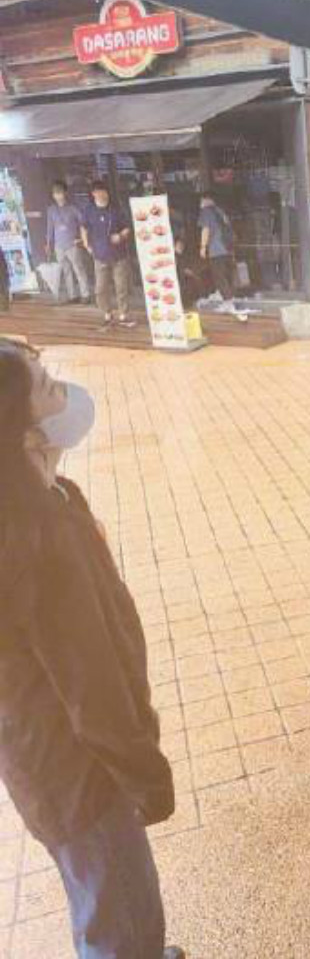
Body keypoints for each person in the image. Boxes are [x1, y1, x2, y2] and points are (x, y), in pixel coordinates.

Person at [0, 338, 184, 959]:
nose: (64, 391)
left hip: (51, 768)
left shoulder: (47, 498)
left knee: (102, 896)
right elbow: (92, 689)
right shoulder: (36, 539)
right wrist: (146, 774)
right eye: (47, 388)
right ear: (24, 433)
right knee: (120, 915)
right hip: (85, 777)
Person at [81, 181, 136, 330]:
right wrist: (86, 245)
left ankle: (124, 315)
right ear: (93, 194)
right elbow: (84, 228)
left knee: (121, 287)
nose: (101, 194)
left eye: (104, 191)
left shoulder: (115, 209)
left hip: (119, 255)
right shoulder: (89, 210)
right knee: (100, 289)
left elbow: (127, 228)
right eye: (98, 191)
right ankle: (107, 314)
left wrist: (120, 236)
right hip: (99, 256)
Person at [46, 180, 92, 305]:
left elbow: (83, 223)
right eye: (55, 193)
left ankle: (86, 294)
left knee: (79, 269)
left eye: (60, 192)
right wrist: (48, 244)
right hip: (58, 246)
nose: (58, 196)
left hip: (72, 244)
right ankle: (72, 295)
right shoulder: (51, 210)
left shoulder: (73, 208)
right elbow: (50, 228)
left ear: (65, 193)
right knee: (66, 271)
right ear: (53, 195)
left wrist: (81, 238)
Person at [198, 191, 235, 301]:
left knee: (219, 276)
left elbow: (205, 229)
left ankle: (228, 300)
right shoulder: (220, 211)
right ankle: (229, 295)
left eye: (201, 200)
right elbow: (229, 228)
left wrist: (203, 247)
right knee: (226, 275)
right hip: (227, 248)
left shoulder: (206, 211)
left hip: (216, 249)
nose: (200, 203)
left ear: (207, 200)